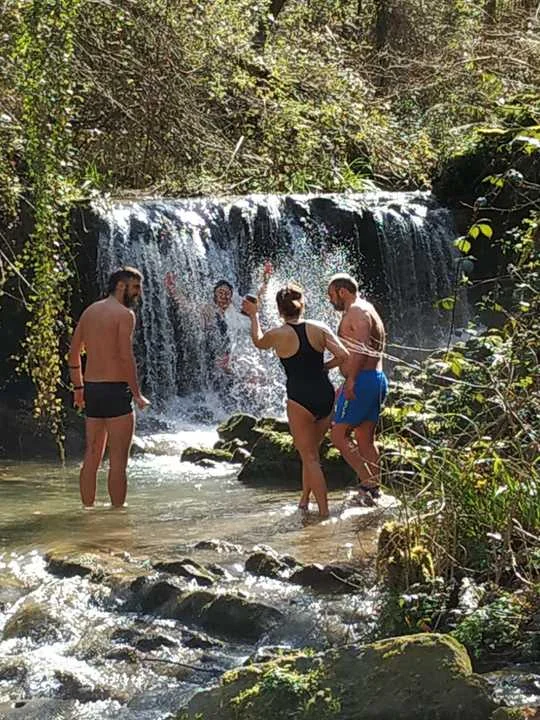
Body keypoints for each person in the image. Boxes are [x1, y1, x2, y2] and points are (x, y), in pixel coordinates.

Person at [242, 281, 349, 518]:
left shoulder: (278, 334)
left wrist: (253, 315)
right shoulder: (320, 327)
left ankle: (324, 514)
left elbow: (258, 341)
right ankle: (304, 501)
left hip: (300, 397)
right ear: (302, 305)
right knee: (312, 453)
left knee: (309, 457)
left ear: (280, 310)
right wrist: (325, 367)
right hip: (325, 394)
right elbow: (343, 355)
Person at [68, 266, 150, 508]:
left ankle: (87, 511)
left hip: (92, 390)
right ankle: (117, 517)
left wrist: (79, 390)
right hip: (116, 391)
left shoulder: (90, 312)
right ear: (121, 286)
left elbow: (73, 354)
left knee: (92, 455)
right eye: (135, 287)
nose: (139, 292)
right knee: (118, 462)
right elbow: (125, 357)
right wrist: (137, 394)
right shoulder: (125, 315)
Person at [326, 273, 388, 505]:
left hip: (362, 380)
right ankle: (374, 490)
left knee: (338, 435)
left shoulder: (356, 311)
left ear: (342, 291)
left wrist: (351, 379)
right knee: (364, 438)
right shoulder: (368, 308)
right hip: (374, 379)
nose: (331, 300)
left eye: (332, 295)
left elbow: (362, 348)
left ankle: (367, 483)